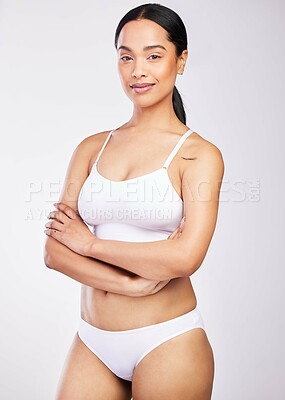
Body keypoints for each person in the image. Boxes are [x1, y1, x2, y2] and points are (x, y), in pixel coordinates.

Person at [43, 3, 224, 399]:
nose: (137, 70)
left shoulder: (198, 155)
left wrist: (89, 243)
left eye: (153, 56)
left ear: (181, 61)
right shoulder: (92, 147)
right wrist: (130, 285)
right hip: (92, 340)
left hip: (167, 340)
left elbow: (186, 258)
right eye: (126, 57)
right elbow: (55, 252)